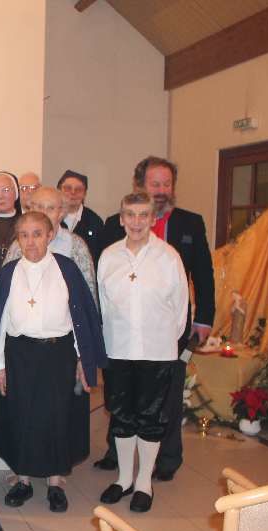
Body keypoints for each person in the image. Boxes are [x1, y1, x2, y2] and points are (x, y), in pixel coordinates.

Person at [95, 156, 214, 481]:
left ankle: (165, 461)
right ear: (139, 187)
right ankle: (119, 462)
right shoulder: (112, 234)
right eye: (154, 184)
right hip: (121, 339)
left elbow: (202, 276)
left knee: (164, 401)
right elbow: (104, 292)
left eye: (166, 184)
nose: (161, 190)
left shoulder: (188, 225)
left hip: (164, 336)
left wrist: (201, 320)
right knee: (122, 403)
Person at [0, 212, 106, 512]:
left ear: (49, 235)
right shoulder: (9, 273)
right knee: (21, 417)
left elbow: (81, 317)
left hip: (59, 354)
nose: (31, 241)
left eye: (37, 233)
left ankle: (55, 482)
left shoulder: (66, 268)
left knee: (57, 416)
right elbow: (0, 321)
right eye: (25, 235)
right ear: (18, 238)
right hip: (19, 354)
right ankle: (23, 480)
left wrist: (85, 358)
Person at [97, 193, 188, 513]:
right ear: (121, 219)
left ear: (153, 219)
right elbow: (104, 305)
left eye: (143, 215)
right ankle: (123, 478)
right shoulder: (109, 256)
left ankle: (144, 483)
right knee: (122, 416)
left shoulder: (169, 257)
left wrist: (161, 341)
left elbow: (181, 309)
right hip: (119, 349)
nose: (136, 221)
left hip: (157, 351)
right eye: (130, 215)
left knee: (150, 418)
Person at [58, 169, 104, 265]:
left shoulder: (95, 221)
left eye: (78, 189)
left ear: (84, 194)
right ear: (59, 190)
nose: (73, 192)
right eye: (67, 188)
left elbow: (99, 258)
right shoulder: (52, 218)